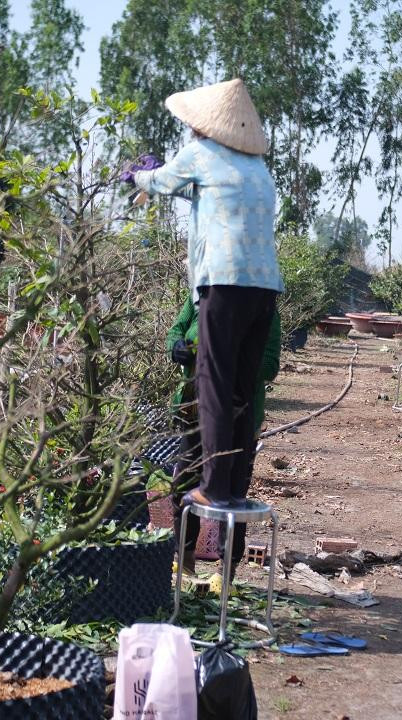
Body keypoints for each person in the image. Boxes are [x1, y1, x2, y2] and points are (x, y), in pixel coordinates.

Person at [132, 78, 283, 512]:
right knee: (241, 389)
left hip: (224, 282)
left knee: (212, 383)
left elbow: (161, 181)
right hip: (265, 289)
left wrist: (135, 176)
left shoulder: (200, 153)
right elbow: (206, 194)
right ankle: (233, 485)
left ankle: (214, 487)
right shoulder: (257, 169)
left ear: (204, 126)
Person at [166, 298, 281, 574]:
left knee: (231, 494)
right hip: (195, 412)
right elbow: (176, 330)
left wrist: (225, 363)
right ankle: (185, 561)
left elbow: (269, 364)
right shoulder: (198, 299)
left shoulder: (262, 307)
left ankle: (226, 570)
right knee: (183, 485)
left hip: (238, 416)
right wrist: (178, 347)